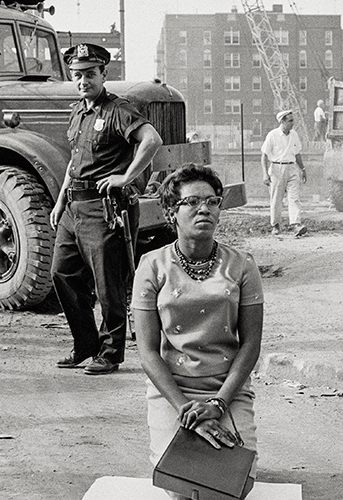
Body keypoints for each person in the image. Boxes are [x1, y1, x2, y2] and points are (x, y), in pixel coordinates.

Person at [132, 164, 262, 500]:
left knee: (232, 484)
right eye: (192, 202)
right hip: (172, 390)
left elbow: (250, 344)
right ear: (171, 213)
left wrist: (219, 404)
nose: (204, 208)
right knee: (181, 485)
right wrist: (185, 410)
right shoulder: (152, 265)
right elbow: (147, 351)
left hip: (226, 388)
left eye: (212, 201)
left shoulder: (242, 265)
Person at [50, 43, 163, 373]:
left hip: (104, 210)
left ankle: (111, 353)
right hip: (74, 207)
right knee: (63, 273)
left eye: (89, 74)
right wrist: (60, 202)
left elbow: (151, 139)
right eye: (77, 75)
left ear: (103, 75)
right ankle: (85, 345)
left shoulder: (118, 109)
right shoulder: (78, 111)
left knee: (107, 283)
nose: (83, 81)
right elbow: (75, 161)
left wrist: (126, 176)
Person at [261, 110, 308, 237]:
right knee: (276, 199)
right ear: (282, 121)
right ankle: (275, 225)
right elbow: (264, 156)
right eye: (290, 121)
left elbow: (297, 154)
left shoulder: (294, 135)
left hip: (292, 168)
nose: (293, 123)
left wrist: (302, 169)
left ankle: (296, 224)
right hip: (277, 169)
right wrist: (265, 174)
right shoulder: (272, 135)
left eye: (293, 120)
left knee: (294, 197)